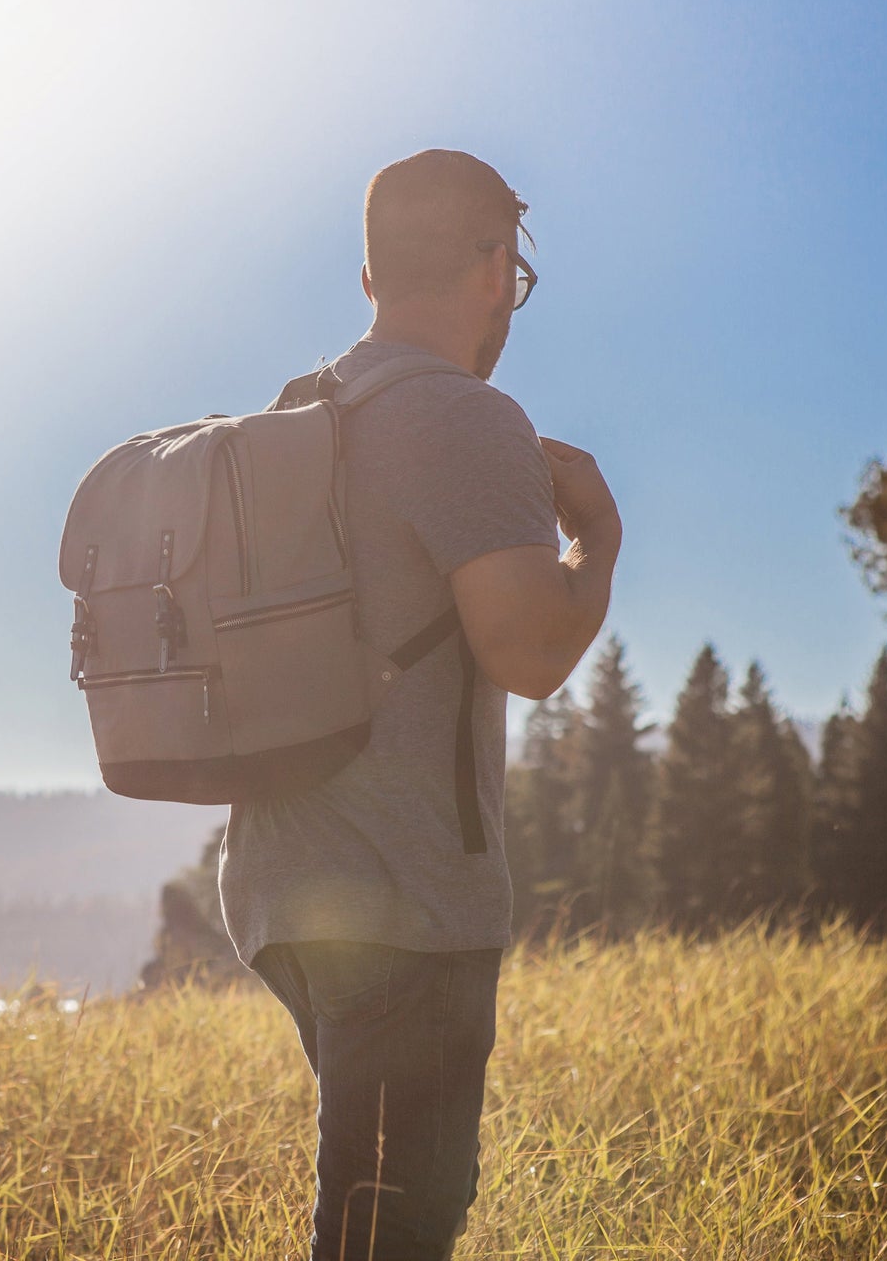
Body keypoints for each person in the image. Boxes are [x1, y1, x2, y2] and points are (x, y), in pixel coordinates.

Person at [219, 148, 623, 1261]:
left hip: (281, 889)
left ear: (369, 278)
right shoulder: (465, 417)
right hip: (404, 901)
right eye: (515, 276)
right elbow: (530, 651)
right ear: (495, 268)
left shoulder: (297, 414)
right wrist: (598, 540)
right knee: (391, 1228)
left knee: (377, 1210)